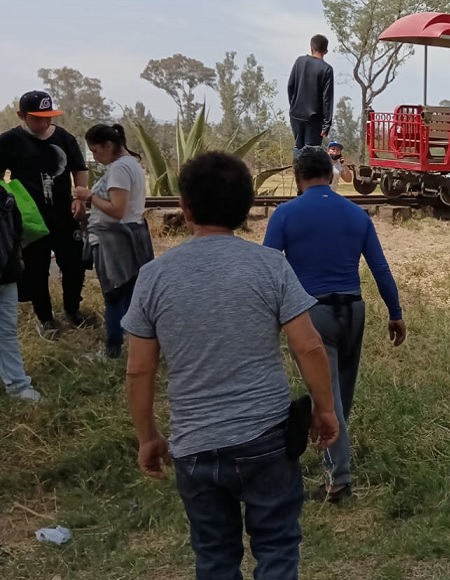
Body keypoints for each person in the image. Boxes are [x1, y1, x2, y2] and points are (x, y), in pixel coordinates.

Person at [123, 152, 340, 578]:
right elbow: (309, 346)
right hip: (267, 439)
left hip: (194, 444)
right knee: (277, 546)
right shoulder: (270, 266)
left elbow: (139, 370)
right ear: (246, 208)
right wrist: (325, 409)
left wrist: (148, 437)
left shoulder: (154, 276)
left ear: (184, 208)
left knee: (215, 556)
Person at [264, 146, 405, 503]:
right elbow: (381, 269)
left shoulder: (285, 215)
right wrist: (395, 312)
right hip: (353, 310)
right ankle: (334, 453)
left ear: (298, 179)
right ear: (330, 175)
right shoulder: (355, 214)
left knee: (327, 395)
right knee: (339, 391)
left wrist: (267, 317)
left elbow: (267, 269)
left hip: (312, 314)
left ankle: (338, 481)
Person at [0, 91, 91, 339]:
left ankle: (73, 309)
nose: (44, 123)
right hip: (31, 222)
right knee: (36, 270)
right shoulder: (8, 141)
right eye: (38, 118)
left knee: (74, 265)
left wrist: (79, 199)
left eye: (48, 117)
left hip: (65, 215)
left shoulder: (65, 139)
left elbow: (79, 169)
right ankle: (46, 319)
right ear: (22, 115)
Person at [72, 124, 154, 359]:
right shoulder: (131, 165)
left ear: (109, 146)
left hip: (115, 240)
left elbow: (117, 210)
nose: (95, 157)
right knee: (128, 293)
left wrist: (89, 196)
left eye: (96, 151)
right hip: (130, 235)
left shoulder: (119, 169)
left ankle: (113, 348)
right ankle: (131, 343)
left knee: (114, 295)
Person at [0, 182, 41, 402]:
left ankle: (17, 386)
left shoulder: (7, 200)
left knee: (6, 331)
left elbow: (16, 234)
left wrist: (18, 259)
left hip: (6, 275)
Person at [288, 34, 335, 159]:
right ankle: (308, 177)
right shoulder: (327, 69)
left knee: (298, 147)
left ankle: (299, 175)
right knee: (312, 151)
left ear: (311, 47)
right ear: (326, 50)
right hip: (314, 118)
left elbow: (290, 87)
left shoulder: (299, 61)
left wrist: (293, 107)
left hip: (296, 115)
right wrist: (326, 125)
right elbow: (327, 99)